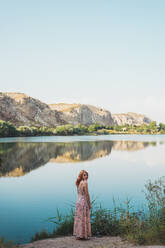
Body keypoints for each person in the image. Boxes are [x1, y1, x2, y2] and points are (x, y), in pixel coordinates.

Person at [73, 170, 92, 240]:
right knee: (84, 218)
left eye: (86, 175)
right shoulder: (85, 183)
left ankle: (79, 235)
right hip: (83, 202)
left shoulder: (78, 183)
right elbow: (87, 194)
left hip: (78, 202)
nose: (86, 176)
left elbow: (78, 193)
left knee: (79, 218)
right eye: (84, 175)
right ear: (81, 176)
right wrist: (89, 204)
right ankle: (84, 235)